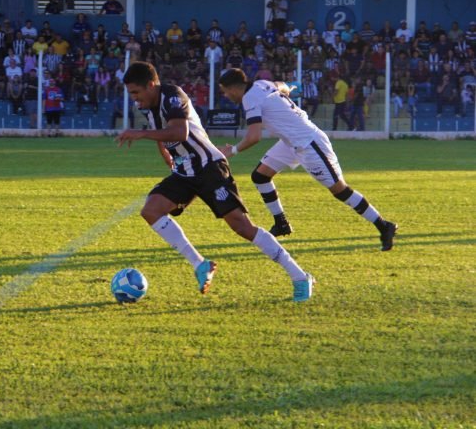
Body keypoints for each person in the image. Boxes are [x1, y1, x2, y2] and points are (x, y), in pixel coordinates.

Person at [115, 61, 316, 302]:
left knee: (242, 227)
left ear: (151, 85)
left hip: (210, 168)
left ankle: (300, 276)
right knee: (151, 210)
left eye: (136, 92)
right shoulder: (148, 104)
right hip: (185, 172)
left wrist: (140, 134)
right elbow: (161, 131)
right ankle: (200, 265)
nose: (134, 99)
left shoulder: (172, 96)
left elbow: (180, 132)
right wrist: (166, 155)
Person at [217, 68, 398, 251]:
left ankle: (384, 226)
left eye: (224, 91)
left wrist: (231, 151)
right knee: (260, 176)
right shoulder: (262, 84)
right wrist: (288, 88)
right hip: (290, 142)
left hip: (308, 143)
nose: (225, 95)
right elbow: (282, 86)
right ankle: (281, 223)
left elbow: (254, 137)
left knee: (339, 190)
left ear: (233, 88)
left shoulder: (250, 98)